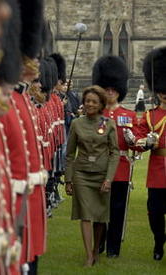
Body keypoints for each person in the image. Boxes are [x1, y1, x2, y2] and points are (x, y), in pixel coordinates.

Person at [65, 85, 119, 267]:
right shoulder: (76, 124)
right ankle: (89, 255)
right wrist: (68, 179)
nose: (90, 104)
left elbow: (114, 153)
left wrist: (109, 179)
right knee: (86, 215)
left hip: (102, 174)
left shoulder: (109, 124)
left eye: (94, 102)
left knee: (100, 216)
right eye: (87, 101)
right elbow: (70, 154)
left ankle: (96, 249)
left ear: (101, 104)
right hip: (81, 174)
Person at [92, 55, 140, 258]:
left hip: (120, 167)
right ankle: (98, 244)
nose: (110, 92)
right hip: (100, 167)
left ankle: (113, 249)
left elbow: (137, 144)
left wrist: (134, 141)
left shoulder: (128, 115)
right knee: (98, 210)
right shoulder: (94, 115)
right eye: (107, 89)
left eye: (113, 89)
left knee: (117, 210)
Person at [134, 46, 166, 261]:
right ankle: (158, 240)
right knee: (154, 212)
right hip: (157, 170)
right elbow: (139, 139)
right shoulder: (150, 116)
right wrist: (143, 142)